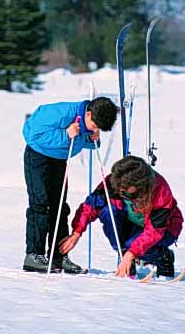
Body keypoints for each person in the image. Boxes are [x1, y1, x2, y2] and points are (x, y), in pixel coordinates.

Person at [22, 97, 118, 273]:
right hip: (38, 156)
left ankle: (58, 256)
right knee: (40, 203)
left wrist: (92, 139)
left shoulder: (87, 120)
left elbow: (81, 141)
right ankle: (33, 255)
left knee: (59, 207)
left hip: (59, 159)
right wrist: (65, 134)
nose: (95, 129)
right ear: (88, 113)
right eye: (94, 125)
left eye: (98, 129)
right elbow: (33, 136)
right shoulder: (58, 113)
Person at [59, 155, 183, 278]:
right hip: (132, 224)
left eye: (124, 188)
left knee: (132, 245)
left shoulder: (160, 191)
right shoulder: (115, 182)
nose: (119, 190)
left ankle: (163, 257)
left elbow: (154, 232)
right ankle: (127, 258)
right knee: (107, 212)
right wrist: (77, 232)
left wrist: (131, 253)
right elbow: (90, 206)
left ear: (139, 184)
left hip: (164, 230)